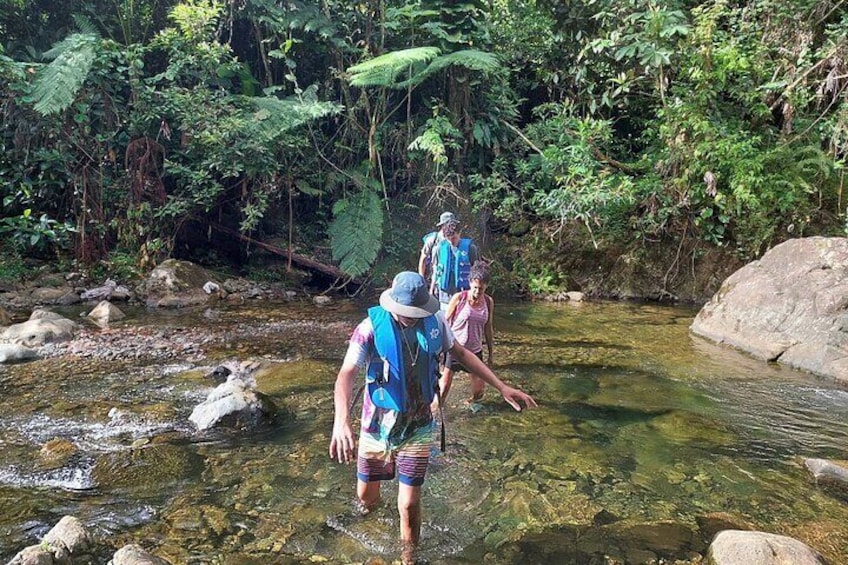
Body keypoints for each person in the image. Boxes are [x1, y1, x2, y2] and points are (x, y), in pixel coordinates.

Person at [328, 271, 536, 564]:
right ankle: (366, 528)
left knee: (410, 504)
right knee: (366, 499)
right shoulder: (369, 328)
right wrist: (341, 421)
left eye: (416, 312)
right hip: (376, 425)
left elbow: (462, 353)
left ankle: (408, 559)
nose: (412, 317)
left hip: (418, 424)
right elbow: (345, 375)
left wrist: (501, 386)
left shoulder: (436, 322)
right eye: (406, 313)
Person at [439, 261, 494, 404]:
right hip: (455, 348)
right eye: (475, 288)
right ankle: (436, 412)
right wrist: (440, 349)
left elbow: (488, 328)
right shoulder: (459, 298)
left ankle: (469, 403)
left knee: (479, 392)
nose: (477, 292)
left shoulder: (488, 302)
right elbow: (444, 323)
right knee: (444, 388)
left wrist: (491, 353)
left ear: (486, 286)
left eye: (481, 289)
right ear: (470, 283)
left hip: (475, 351)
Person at [429, 220, 479, 312]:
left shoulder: (471, 249)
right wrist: (431, 290)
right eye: (449, 239)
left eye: (454, 238)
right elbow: (436, 270)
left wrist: (476, 292)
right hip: (444, 295)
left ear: (459, 233)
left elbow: (476, 272)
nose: (452, 241)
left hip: (463, 293)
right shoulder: (439, 248)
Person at [417, 211, 455, 285]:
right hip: (433, 279)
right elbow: (423, 259)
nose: (452, 227)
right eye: (450, 225)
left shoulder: (456, 240)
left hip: (451, 281)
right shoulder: (433, 240)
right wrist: (421, 279)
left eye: (454, 225)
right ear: (443, 225)